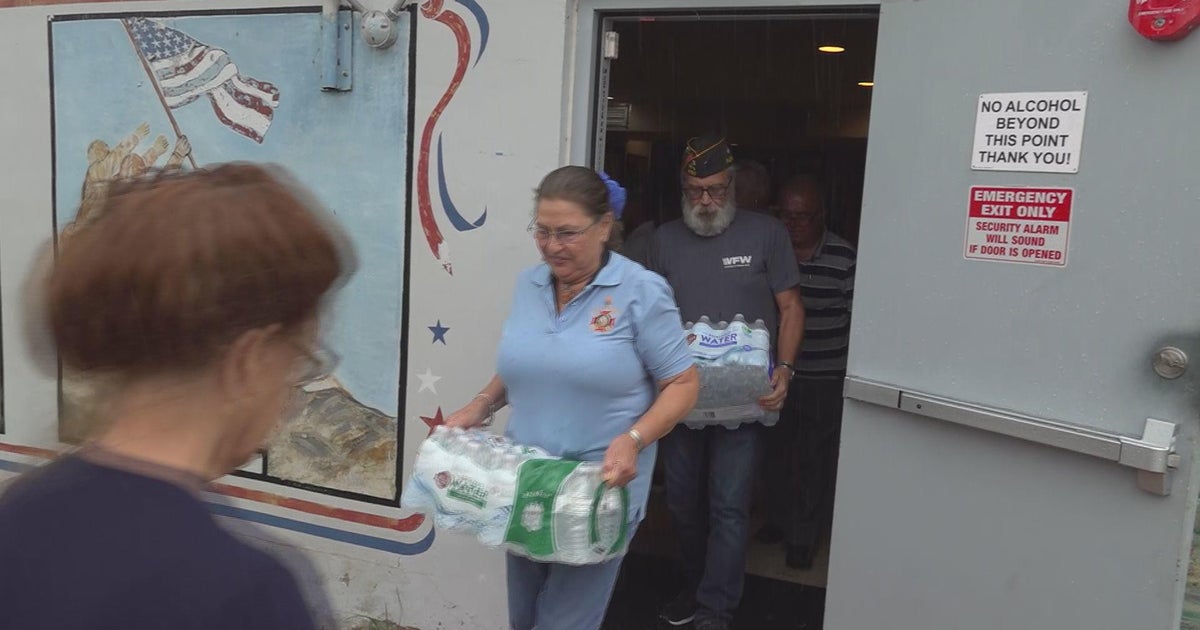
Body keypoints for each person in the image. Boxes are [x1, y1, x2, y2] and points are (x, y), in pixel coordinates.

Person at [0, 163, 350, 630]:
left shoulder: (16, 515)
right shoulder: (247, 590)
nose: (291, 393)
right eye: (299, 360)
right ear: (248, 361)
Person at [444, 166, 699, 630]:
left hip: (597, 488)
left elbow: (683, 383)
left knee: (563, 622)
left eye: (566, 233)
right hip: (524, 481)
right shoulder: (530, 284)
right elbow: (529, 361)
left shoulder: (641, 291)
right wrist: (482, 403)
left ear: (605, 227)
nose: (551, 246)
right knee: (524, 618)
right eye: (541, 231)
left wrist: (635, 438)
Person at [649, 135, 804, 630]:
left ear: (733, 186)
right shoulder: (664, 240)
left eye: (715, 189)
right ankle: (693, 587)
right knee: (680, 501)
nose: (706, 201)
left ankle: (717, 607)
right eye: (695, 190)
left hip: (744, 399)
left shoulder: (767, 234)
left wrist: (785, 368)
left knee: (730, 504)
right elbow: (645, 317)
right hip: (679, 397)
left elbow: (790, 307)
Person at [758, 174, 856, 569]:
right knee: (776, 454)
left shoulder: (844, 259)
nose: (794, 223)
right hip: (774, 376)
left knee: (814, 459)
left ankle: (803, 536)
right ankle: (778, 520)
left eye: (803, 216)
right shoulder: (770, 254)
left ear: (821, 216)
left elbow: (859, 321)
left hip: (822, 376)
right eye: (786, 215)